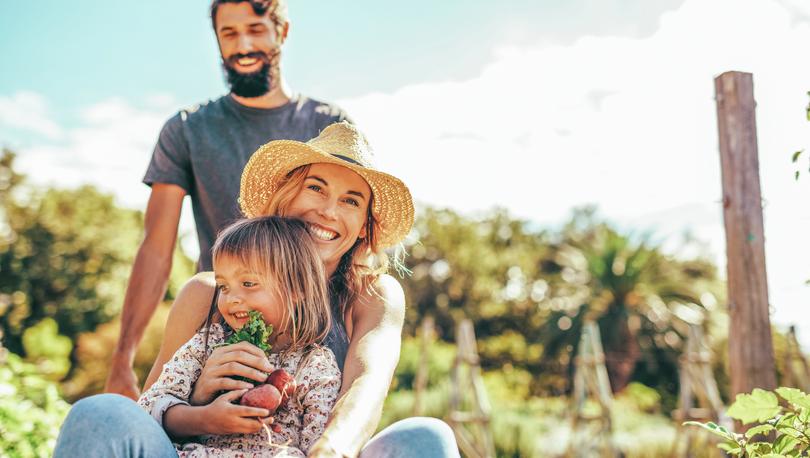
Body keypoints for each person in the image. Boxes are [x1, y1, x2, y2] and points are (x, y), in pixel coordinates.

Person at [56, 122, 459, 457]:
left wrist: (329, 451)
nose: (329, 211)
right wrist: (200, 400)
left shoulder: (371, 295)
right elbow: (151, 413)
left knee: (426, 438)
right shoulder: (206, 294)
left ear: (363, 226)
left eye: (351, 201)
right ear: (285, 196)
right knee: (100, 413)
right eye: (315, 188)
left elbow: (365, 387)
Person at [105, 0, 349, 400]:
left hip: (314, 330)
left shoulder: (326, 125)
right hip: (221, 327)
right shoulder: (187, 130)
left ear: (282, 33)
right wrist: (122, 358)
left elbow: (350, 231)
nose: (243, 45)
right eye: (229, 34)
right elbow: (155, 248)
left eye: (255, 30)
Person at [138, 216, 341, 457]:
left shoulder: (315, 364)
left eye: (248, 283)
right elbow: (149, 408)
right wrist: (203, 418)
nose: (232, 297)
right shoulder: (208, 345)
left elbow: (318, 442)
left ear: (296, 289)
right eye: (223, 286)